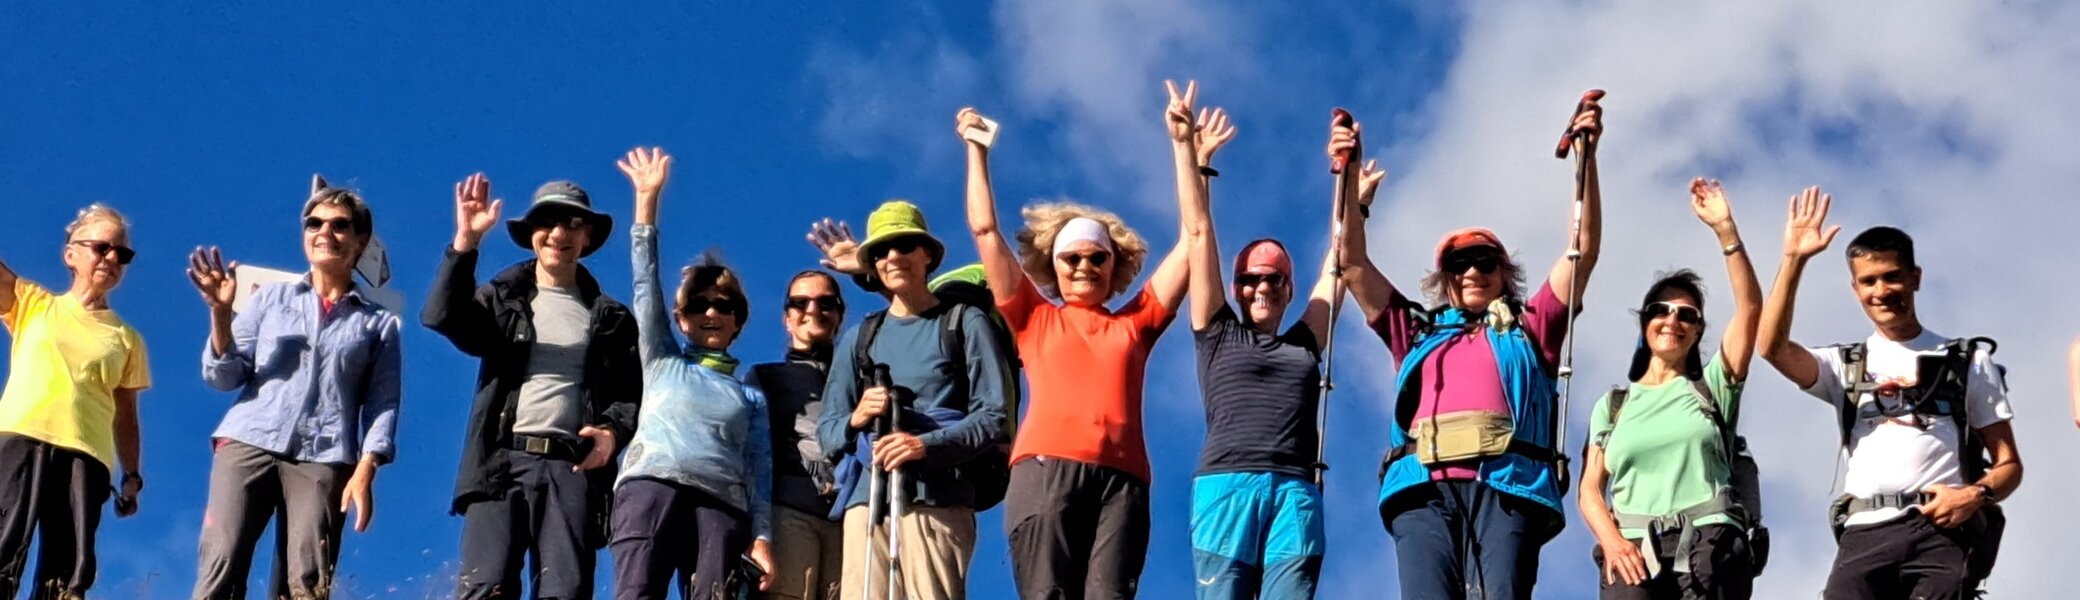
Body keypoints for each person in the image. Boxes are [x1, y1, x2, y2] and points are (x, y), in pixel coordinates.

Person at [1338, 97, 1604, 600]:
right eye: (1459, 266)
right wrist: (1349, 184)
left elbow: (1582, 250)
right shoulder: (1416, 331)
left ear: (1505, 273)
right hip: (1423, 487)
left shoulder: (1532, 326)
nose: (1473, 273)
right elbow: (1350, 265)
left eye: (1485, 262)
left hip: (1508, 484)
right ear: (1445, 281)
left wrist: (1587, 160)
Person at [960, 80, 1201, 599]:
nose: (1086, 266)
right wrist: (976, 152)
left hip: (1123, 481)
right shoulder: (1033, 316)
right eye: (1073, 258)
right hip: (1046, 468)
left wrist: (1185, 151)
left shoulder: (1136, 323)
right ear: (1054, 265)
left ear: (1115, 266)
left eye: (1098, 257)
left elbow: (1195, 239)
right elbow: (985, 231)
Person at [1754, 189, 2022, 599]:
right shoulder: (1843, 364)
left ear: (1915, 277)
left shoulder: (1967, 361)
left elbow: (2009, 464)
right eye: (1868, 281)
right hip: (1864, 531)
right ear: (1855, 288)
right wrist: (1793, 260)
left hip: (1940, 527)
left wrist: (1975, 495)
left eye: (1892, 276)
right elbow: (1772, 347)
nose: (1881, 291)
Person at [425, 172, 642, 600]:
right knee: (485, 587)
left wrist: (611, 435)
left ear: (588, 237)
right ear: (532, 235)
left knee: (565, 590)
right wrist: (465, 243)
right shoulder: (502, 298)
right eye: (548, 222)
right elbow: (442, 317)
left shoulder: (611, 318)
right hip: (501, 463)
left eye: (573, 223)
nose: (559, 233)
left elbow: (630, 397)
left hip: (573, 468)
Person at [187, 177, 403, 599]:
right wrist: (220, 314)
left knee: (308, 579)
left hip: (325, 456)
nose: (324, 233)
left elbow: (383, 402)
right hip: (250, 440)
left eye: (339, 225)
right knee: (221, 561)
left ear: (359, 242)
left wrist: (367, 465)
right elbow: (222, 376)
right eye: (314, 223)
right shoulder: (271, 300)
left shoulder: (378, 323)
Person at [1181, 105, 1349, 600]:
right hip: (1225, 487)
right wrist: (1197, 165)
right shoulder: (1216, 331)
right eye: (1250, 278)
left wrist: (1349, 188)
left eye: (1272, 278)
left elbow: (1337, 268)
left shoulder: (1304, 342)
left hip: (1294, 490)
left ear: (1289, 287)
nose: (1260, 287)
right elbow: (1198, 236)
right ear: (1235, 286)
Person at [816, 200, 1013, 600]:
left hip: (939, 495)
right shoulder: (861, 336)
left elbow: (994, 416)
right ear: (871, 265)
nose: (893, 257)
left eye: (905, 245)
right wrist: (857, 418)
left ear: (927, 255)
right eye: (881, 251)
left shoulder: (962, 322)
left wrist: (923, 445)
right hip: (867, 501)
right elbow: (828, 429)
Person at [1577, 179, 1761, 599]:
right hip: (1632, 551)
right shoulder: (1614, 405)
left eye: (1687, 314)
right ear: (1645, 323)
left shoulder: (1713, 386)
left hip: (1708, 547)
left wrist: (1726, 232)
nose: (1672, 320)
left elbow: (1750, 309)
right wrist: (1613, 542)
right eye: (1661, 310)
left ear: (1697, 331)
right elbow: (1590, 489)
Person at [614, 147, 776, 599]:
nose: (711, 313)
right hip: (651, 486)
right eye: (698, 305)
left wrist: (762, 539)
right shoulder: (662, 359)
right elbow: (645, 285)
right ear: (680, 317)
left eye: (723, 306)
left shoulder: (750, 397)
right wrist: (646, 202)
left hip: (723, 505)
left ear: (738, 322)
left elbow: (759, 474)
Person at [0, 204, 149, 600]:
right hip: (20, 439)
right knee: (2, 545)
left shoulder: (127, 338)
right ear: (71, 254)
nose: (113, 259)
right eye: (102, 248)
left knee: (68, 574)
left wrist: (132, 477)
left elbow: (127, 417)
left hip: (87, 457)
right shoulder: (33, 303)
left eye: (123, 254)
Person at [747, 269, 848, 600]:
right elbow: (751, 456)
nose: (812, 310)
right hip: (789, 514)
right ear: (786, 319)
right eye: (800, 303)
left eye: (825, 302)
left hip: (853, 521)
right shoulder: (765, 378)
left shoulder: (858, 380)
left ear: (839, 314)